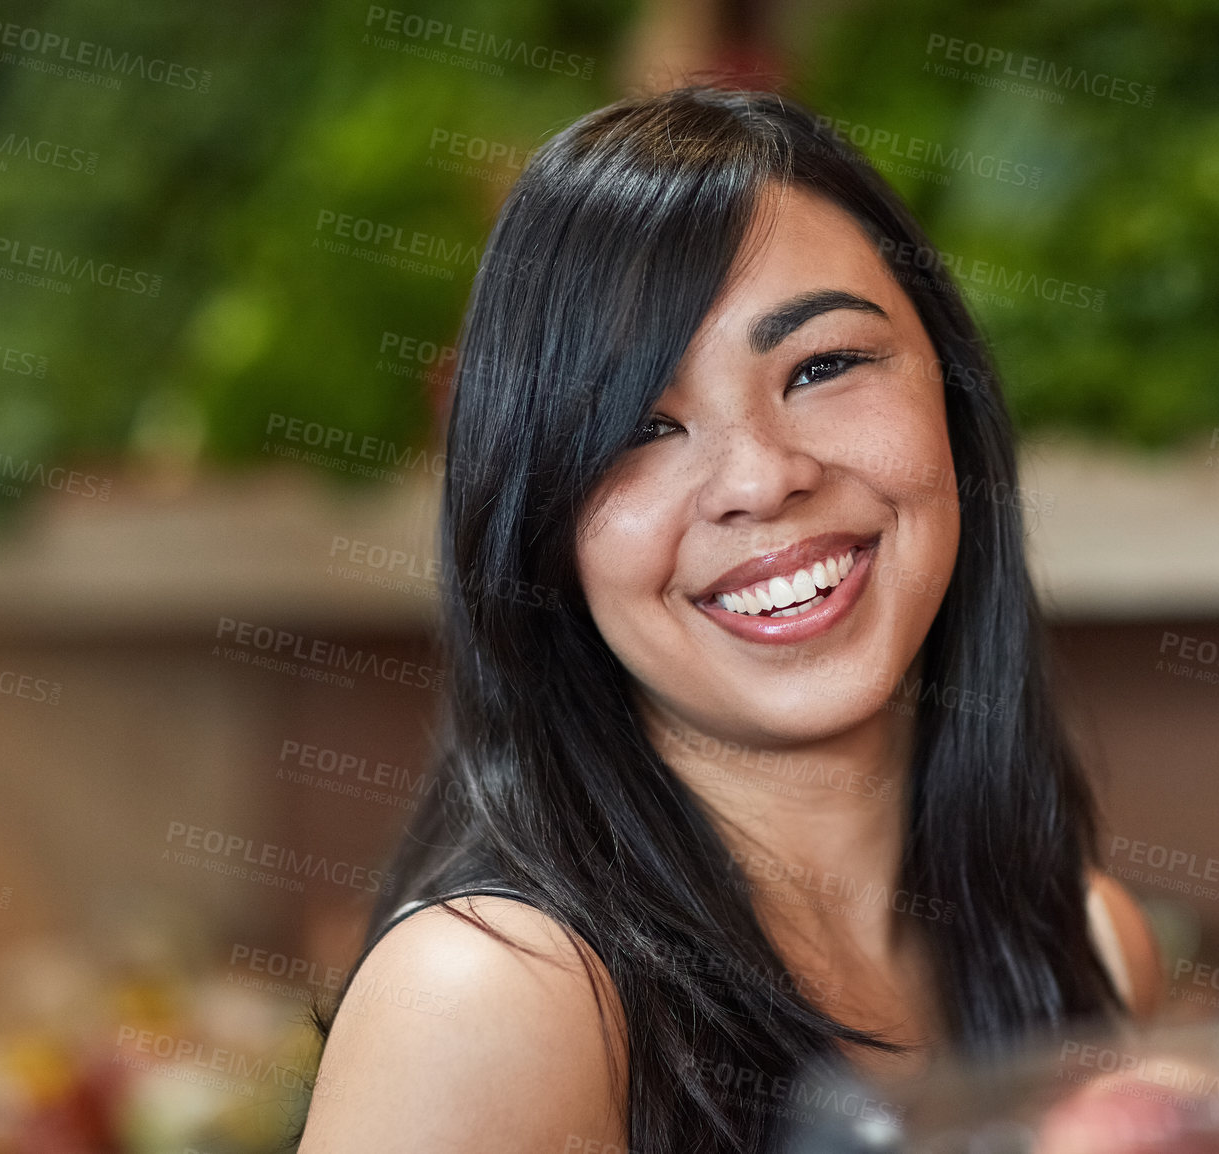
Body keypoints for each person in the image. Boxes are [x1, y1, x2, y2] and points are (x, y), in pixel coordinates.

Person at [293, 85, 1162, 1154]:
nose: (760, 477)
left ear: (954, 393)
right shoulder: (490, 994)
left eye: (825, 365)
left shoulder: (1091, 947)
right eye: (642, 425)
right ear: (538, 528)